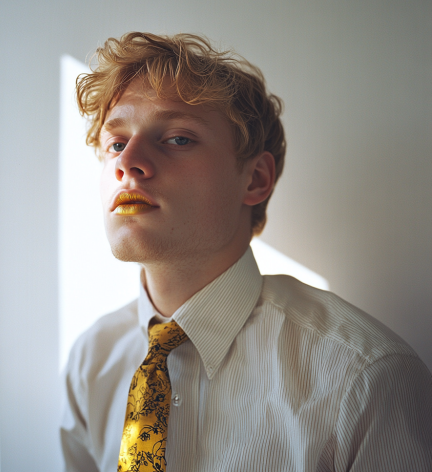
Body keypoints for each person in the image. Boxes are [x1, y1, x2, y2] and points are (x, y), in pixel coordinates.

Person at [60, 32, 432, 472]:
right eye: (116, 143)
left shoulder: (366, 378)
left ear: (255, 179)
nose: (128, 161)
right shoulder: (91, 361)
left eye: (178, 138)